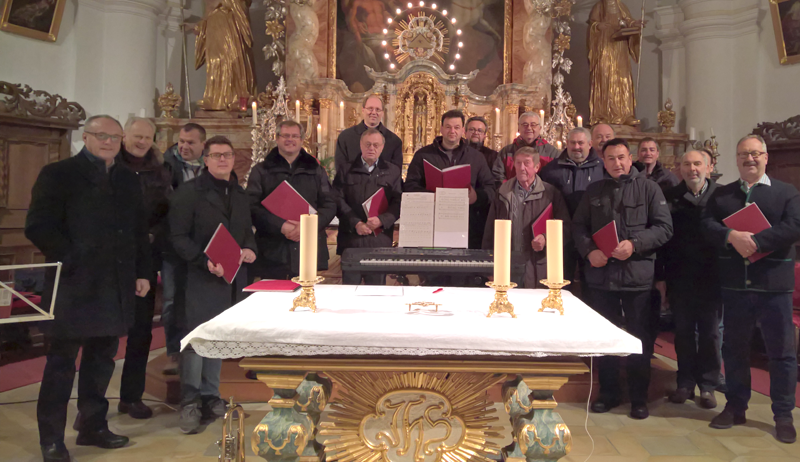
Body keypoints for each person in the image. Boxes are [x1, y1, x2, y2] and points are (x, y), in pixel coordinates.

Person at [26, 115, 151, 462]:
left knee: (102, 360)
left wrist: (142, 272)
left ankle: (93, 425)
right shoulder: (59, 174)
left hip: (116, 284)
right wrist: (73, 257)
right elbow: (38, 225)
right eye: (101, 136)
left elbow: (139, 230)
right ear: (86, 137)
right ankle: (51, 438)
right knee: (61, 364)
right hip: (74, 284)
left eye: (115, 137)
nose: (109, 142)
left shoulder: (127, 179)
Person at [702, 134, 800, 444]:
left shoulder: (787, 192)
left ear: (766, 157)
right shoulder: (723, 195)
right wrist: (731, 235)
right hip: (735, 286)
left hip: (774, 286)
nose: (750, 159)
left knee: (781, 354)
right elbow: (706, 224)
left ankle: (783, 414)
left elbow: (794, 226)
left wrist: (757, 242)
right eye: (744, 154)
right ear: (737, 159)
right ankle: (735, 406)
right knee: (734, 349)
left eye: (756, 153)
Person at [572, 138, 672, 419]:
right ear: (604, 162)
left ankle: (639, 397)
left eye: (621, 157)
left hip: (637, 278)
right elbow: (579, 225)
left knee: (639, 339)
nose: (617, 163)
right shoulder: (594, 190)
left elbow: (664, 228)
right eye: (611, 159)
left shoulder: (649, 189)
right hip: (602, 277)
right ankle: (609, 393)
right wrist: (589, 250)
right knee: (605, 338)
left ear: (630, 159)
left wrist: (635, 244)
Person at [168, 135, 257, 434]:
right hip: (199, 277)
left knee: (217, 338)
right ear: (205, 159)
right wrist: (203, 260)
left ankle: (211, 396)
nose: (222, 160)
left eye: (227, 155)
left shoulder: (240, 194)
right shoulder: (189, 192)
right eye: (216, 155)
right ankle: (190, 402)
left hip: (231, 278)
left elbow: (246, 232)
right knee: (197, 340)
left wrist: (250, 249)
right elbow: (178, 236)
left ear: (234, 160)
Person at [117, 117, 172, 419]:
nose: (141, 142)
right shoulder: (111, 166)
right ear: (125, 135)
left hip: (145, 258)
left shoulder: (159, 171)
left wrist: (153, 235)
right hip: (111, 258)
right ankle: (92, 406)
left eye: (147, 137)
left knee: (141, 332)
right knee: (104, 333)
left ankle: (131, 396)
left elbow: (166, 211)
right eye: (137, 136)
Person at [663, 150, 720, 409]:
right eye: (686, 164)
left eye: (698, 164)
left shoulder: (722, 197)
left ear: (709, 167)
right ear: (680, 169)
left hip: (712, 278)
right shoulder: (670, 197)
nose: (692, 169)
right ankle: (684, 383)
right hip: (681, 276)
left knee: (710, 334)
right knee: (684, 333)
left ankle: (708, 385)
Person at [247, 120, 336, 280]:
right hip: (273, 248)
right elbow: (251, 206)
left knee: (307, 298)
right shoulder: (261, 170)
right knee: (273, 299)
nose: (290, 140)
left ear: (302, 140)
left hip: (308, 246)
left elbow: (329, 204)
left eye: (295, 136)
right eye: (285, 135)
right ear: (277, 138)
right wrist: (281, 226)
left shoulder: (315, 170)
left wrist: (306, 226)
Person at [404, 110, 496, 251]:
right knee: (433, 269)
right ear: (441, 129)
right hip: (432, 222)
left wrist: (476, 197)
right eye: (448, 127)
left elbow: (491, 188)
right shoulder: (423, 155)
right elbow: (410, 186)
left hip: (467, 223)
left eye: (457, 127)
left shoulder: (476, 157)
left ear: (463, 131)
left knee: (463, 269)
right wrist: (430, 196)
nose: (452, 131)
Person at [482, 147, 570, 288]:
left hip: (539, 267)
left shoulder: (551, 194)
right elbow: (490, 232)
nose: (522, 168)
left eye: (527, 163)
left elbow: (565, 228)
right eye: (518, 163)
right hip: (508, 266)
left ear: (536, 167)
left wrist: (546, 238)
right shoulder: (503, 193)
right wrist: (489, 268)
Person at [161, 122, 207, 374]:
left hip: (203, 246)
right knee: (171, 301)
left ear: (202, 145)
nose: (184, 146)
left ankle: (203, 352)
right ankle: (173, 352)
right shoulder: (166, 168)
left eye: (191, 142)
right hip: (173, 245)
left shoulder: (211, 167)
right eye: (181, 141)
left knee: (198, 300)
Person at [333, 128, 402, 285]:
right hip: (351, 239)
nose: (372, 148)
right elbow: (337, 199)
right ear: (361, 145)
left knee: (376, 292)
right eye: (368, 144)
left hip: (379, 239)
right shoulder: (346, 170)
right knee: (350, 292)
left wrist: (382, 220)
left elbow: (398, 202)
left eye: (376, 145)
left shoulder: (392, 171)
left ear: (382, 147)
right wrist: (355, 222)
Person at [539, 127, 604, 285]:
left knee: (591, 285)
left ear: (590, 144)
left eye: (580, 143)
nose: (576, 147)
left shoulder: (602, 168)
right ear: (566, 144)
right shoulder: (551, 170)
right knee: (560, 282)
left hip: (591, 236)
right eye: (573, 143)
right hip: (561, 236)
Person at [587, 0, 644, 126]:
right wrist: (598, 26)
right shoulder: (599, 7)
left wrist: (636, 25)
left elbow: (629, 21)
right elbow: (592, 25)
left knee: (622, 78)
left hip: (620, 48)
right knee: (604, 77)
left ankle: (626, 114)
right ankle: (602, 115)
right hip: (604, 45)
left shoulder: (621, 6)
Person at [193, 0, 256, 110]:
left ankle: (237, 98)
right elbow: (208, 9)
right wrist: (200, 25)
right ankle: (215, 99)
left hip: (231, 22)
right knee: (215, 60)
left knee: (233, 58)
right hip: (214, 24)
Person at [335, 95, 403, 174]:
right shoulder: (345, 137)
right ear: (363, 110)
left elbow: (395, 174)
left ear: (382, 113)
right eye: (370, 108)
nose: (373, 112)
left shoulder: (394, 141)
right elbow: (341, 170)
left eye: (378, 109)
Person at [493, 112, 558, 182]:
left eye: (533, 125)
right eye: (525, 124)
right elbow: (498, 175)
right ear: (519, 127)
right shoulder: (506, 151)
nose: (529, 128)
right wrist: (509, 189)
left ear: (540, 128)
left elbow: (556, 177)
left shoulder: (552, 153)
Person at [164, 123, 207, 189]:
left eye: (190, 143)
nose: (185, 147)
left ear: (203, 145)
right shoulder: (165, 164)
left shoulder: (212, 162)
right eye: (182, 141)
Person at [465, 116, 502, 186]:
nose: (475, 133)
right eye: (471, 129)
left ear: (484, 135)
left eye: (480, 130)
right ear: (465, 132)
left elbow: (496, 181)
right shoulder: (458, 153)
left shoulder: (493, 156)